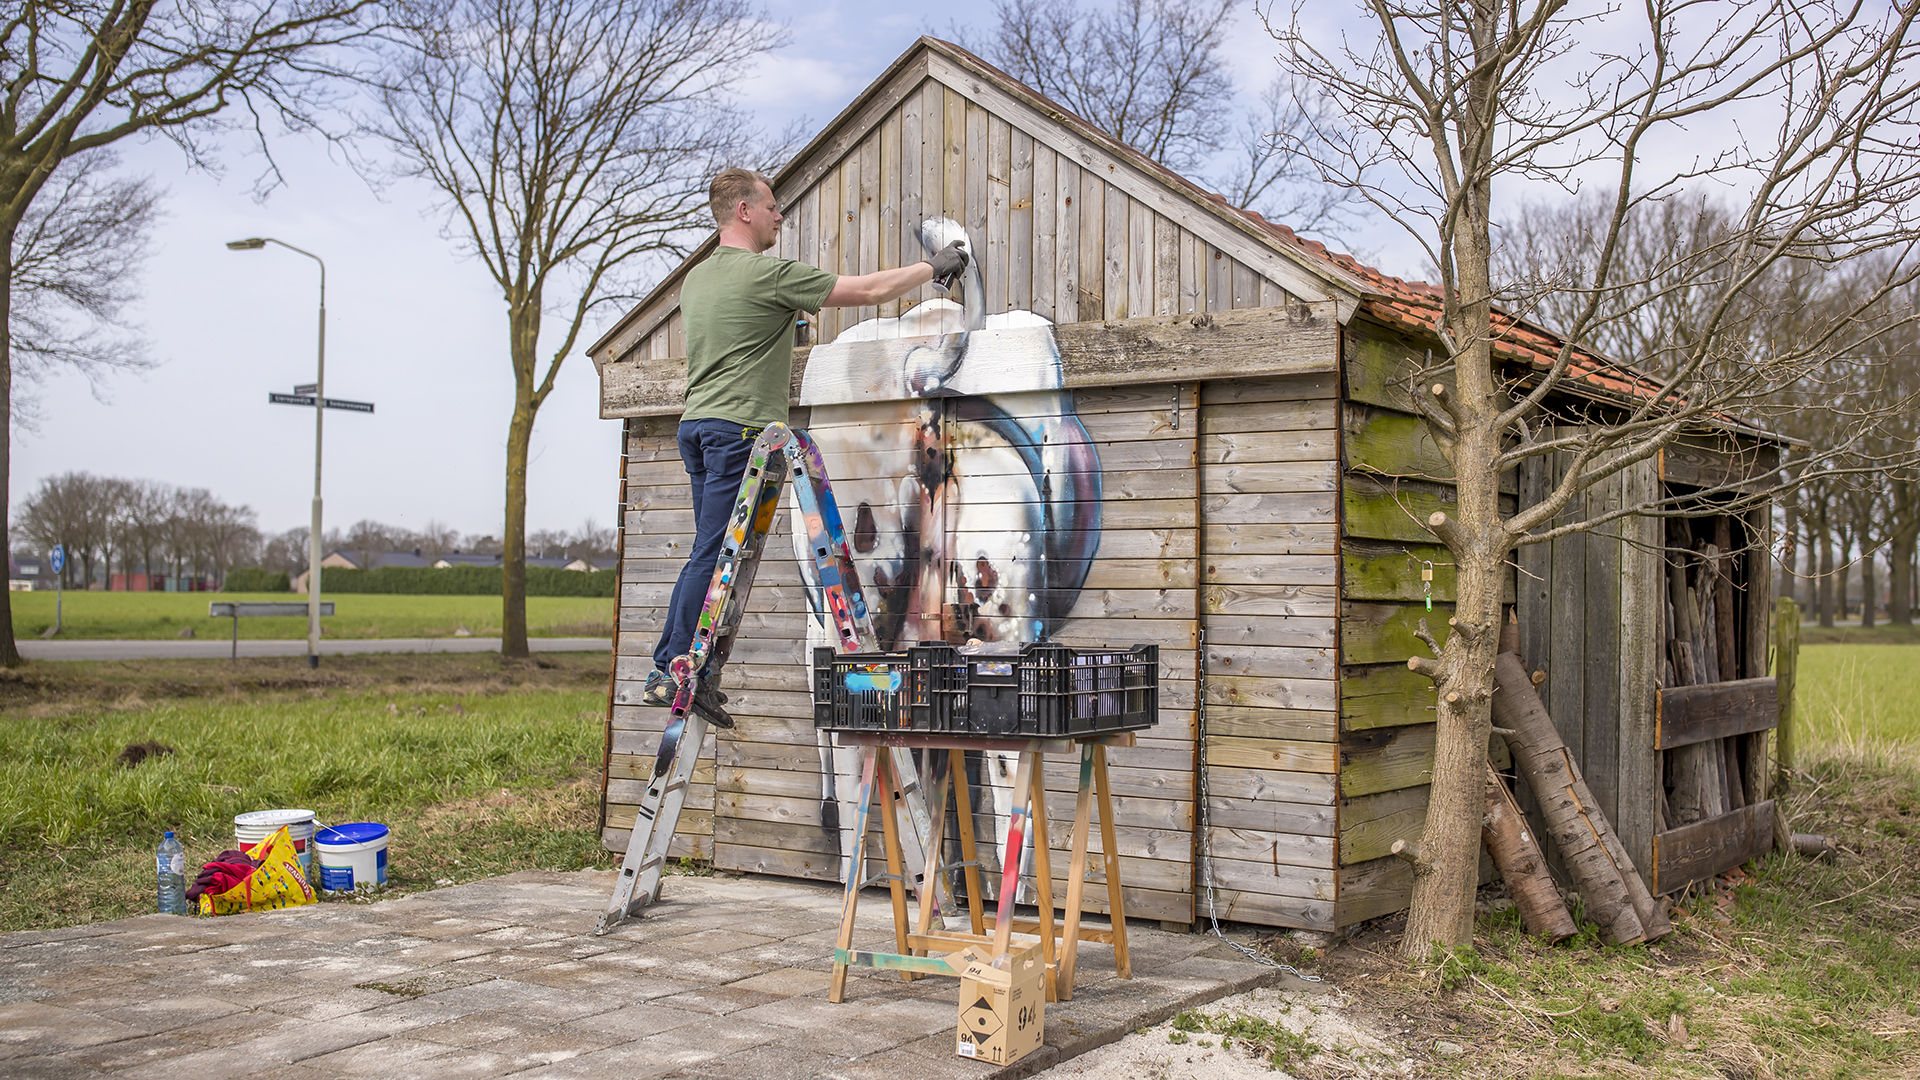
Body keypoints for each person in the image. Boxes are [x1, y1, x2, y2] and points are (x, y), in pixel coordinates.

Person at [645, 168, 969, 725]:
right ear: (744, 211)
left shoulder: (697, 280)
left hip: (697, 426)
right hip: (739, 429)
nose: (780, 215)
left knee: (712, 554)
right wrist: (932, 268)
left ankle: (693, 671)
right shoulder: (767, 275)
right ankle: (673, 669)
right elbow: (867, 291)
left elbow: (742, 333)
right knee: (714, 555)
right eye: (771, 206)